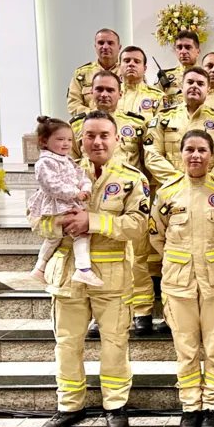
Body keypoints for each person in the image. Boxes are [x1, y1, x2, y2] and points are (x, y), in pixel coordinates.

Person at [35, 110, 148, 427]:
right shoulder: (60, 172)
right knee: (67, 344)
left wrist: (94, 222)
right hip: (67, 272)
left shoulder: (131, 179)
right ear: (79, 141)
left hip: (111, 275)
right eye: (90, 135)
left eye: (104, 135)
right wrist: (57, 223)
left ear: (116, 139)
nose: (97, 141)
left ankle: (115, 404)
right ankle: (70, 405)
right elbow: (36, 219)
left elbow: (139, 227)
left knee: (114, 343)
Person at [150, 130, 214, 427]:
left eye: (203, 150)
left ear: (213, 156)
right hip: (178, 283)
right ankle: (191, 406)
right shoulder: (166, 192)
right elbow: (156, 235)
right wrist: (181, 260)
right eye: (190, 149)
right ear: (181, 154)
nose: (196, 155)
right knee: (186, 349)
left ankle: (213, 406)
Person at [71, 71, 155, 331]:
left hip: (125, 194)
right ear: (91, 93)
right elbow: (71, 162)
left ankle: (141, 309)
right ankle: (95, 308)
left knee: (137, 256)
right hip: (87, 195)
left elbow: (146, 160)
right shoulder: (76, 126)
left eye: (110, 90)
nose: (104, 94)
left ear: (121, 93)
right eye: (99, 90)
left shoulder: (136, 123)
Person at [27, 116, 100, 287]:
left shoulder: (67, 160)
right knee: (79, 232)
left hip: (69, 202)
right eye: (60, 139)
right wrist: (75, 193)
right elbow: (52, 186)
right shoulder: (44, 162)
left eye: (69, 139)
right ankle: (83, 269)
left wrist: (86, 188)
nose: (66, 144)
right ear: (44, 141)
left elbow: (81, 176)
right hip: (57, 204)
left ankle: (39, 268)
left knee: (56, 238)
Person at [145, 67, 214, 186]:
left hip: (208, 190)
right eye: (190, 82)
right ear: (182, 86)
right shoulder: (163, 118)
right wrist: (178, 181)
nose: (194, 86)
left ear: (208, 90)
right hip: (170, 189)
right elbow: (152, 155)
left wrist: (206, 182)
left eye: (200, 84)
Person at [67, 28, 121, 117]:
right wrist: (96, 115)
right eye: (101, 43)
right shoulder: (81, 74)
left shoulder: (129, 73)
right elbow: (73, 104)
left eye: (110, 43)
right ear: (95, 46)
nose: (105, 47)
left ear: (119, 47)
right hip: (90, 123)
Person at [115, 46, 164, 122]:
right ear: (119, 67)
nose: (131, 64)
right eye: (127, 61)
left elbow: (160, 128)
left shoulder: (158, 96)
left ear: (144, 69)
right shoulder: (110, 93)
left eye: (137, 61)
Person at [155, 31, 202, 107]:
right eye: (179, 47)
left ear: (198, 51)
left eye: (188, 47)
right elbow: (156, 102)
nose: (183, 51)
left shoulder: (206, 77)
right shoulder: (165, 76)